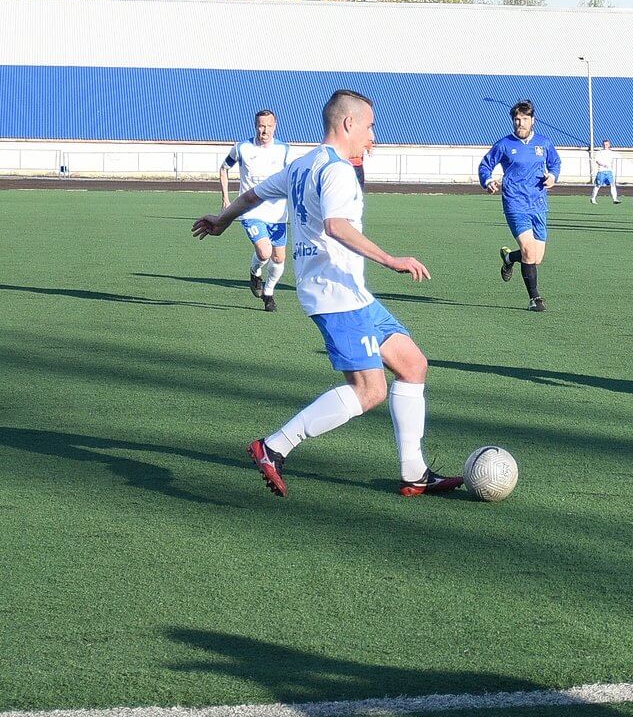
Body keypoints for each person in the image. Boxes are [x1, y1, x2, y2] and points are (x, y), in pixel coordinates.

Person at [193, 89, 462, 497]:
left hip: (349, 291)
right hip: (336, 295)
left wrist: (222, 219)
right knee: (369, 390)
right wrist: (392, 260)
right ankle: (273, 447)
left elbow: (252, 195)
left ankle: (414, 473)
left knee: (412, 364)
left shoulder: (303, 164)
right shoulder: (334, 170)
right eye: (370, 126)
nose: (373, 135)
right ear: (349, 123)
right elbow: (337, 225)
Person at [480, 99, 561, 312]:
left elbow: (555, 163)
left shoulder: (543, 143)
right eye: (517, 120)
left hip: (539, 204)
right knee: (528, 251)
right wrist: (488, 181)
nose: (520, 124)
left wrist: (552, 176)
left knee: (536, 257)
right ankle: (535, 299)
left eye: (524, 119)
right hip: (515, 203)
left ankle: (508, 257)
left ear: (532, 120)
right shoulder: (504, 144)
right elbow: (485, 165)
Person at [220, 109, 292, 313]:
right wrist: (226, 198)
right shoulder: (242, 148)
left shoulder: (285, 151)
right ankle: (255, 271)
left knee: (278, 258)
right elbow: (224, 168)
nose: (265, 130)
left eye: (269, 126)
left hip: (278, 214)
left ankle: (268, 293)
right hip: (251, 211)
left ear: (275, 126)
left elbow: (293, 178)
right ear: (255, 125)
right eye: (261, 125)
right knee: (264, 251)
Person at [589, 139, 621, 204]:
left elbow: (616, 159)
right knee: (598, 185)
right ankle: (593, 198)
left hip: (609, 172)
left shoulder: (611, 153)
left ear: (609, 145)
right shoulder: (600, 152)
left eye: (606, 144)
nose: (605, 145)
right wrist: (603, 164)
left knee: (612, 185)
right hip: (601, 171)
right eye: (604, 144)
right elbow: (597, 161)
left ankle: (615, 199)